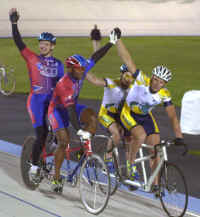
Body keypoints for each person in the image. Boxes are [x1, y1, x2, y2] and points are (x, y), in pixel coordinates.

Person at [113, 28, 185, 192]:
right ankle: (130, 165)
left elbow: (173, 117)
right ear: (152, 77)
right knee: (140, 135)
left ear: (164, 85)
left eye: (160, 82)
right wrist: (117, 40)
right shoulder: (141, 80)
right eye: (155, 79)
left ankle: (155, 185)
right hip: (128, 113)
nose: (156, 83)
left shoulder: (164, 94)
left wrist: (179, 136)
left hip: (145, 116)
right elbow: (128, 60)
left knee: (157, 148)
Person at [48, 30, 119, 192]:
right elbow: (71, 111)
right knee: (64, 141)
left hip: (71, 105)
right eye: (79, 70)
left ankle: (81, 152)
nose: (83, 72)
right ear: (71, 69)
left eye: (83, 69)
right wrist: (79, 130)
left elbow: (96, 57)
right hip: (57, 111)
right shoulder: (64, 84)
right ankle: (56, 178)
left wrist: (111, 42)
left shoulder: (81, 69)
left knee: (93, 118)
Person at [9, 8, 65, 180]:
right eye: (41, 43)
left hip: (51, 102)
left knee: (62, 125)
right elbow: (19, 42)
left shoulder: (58, 64)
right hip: (36, 102)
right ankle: (34, 165)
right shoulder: (32, 58)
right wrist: (14, 23)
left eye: (46, 44)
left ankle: (53, 145)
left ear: (52, 46)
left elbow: (62, 86)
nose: (42, 46)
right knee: (41, 134)